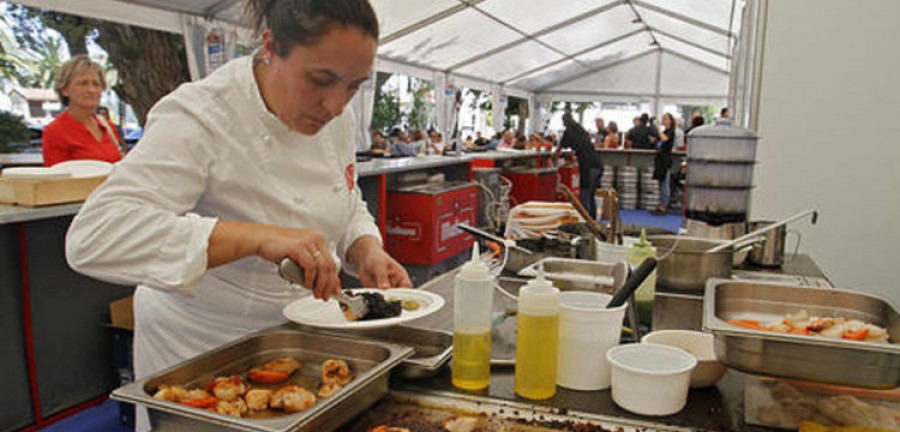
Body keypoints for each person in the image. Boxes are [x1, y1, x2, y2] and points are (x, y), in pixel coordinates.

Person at [63, 1, 412, 430]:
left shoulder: (335, 118)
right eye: (321, 80)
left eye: (354, 87)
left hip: (300, 343)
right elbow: (94, 237)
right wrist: (255, 237)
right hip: (202, 351)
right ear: (270, 46)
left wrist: (366, 247)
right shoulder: (201, 114)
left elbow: (346, 194)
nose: (336, 105)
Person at [42, 55, 123, 167]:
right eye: (83, 83)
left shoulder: (108, 127)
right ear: (64, 90)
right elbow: (56, 180)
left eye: (96, 84)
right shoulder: (55, 132)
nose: (91, 90)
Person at [555, 112, 603, 220]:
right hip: (597, 163)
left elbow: (559, 150)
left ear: (564, 122)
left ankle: (587, 222)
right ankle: (594, 221)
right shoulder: (580, 129)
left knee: (585, 195)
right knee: (591, 196)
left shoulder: (568, 132)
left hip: (588, 166)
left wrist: (554, 160)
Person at [652, 113, 676, 215]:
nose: (663, 120)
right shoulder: (665, 131)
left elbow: (665, 139)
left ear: (670, 121)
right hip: (660, 160)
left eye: (665, 118)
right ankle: (661, 204)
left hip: (665, 161)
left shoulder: (671, 132)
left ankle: (664, 206)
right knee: (661, 184)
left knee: (665, 184)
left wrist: (658, 128)